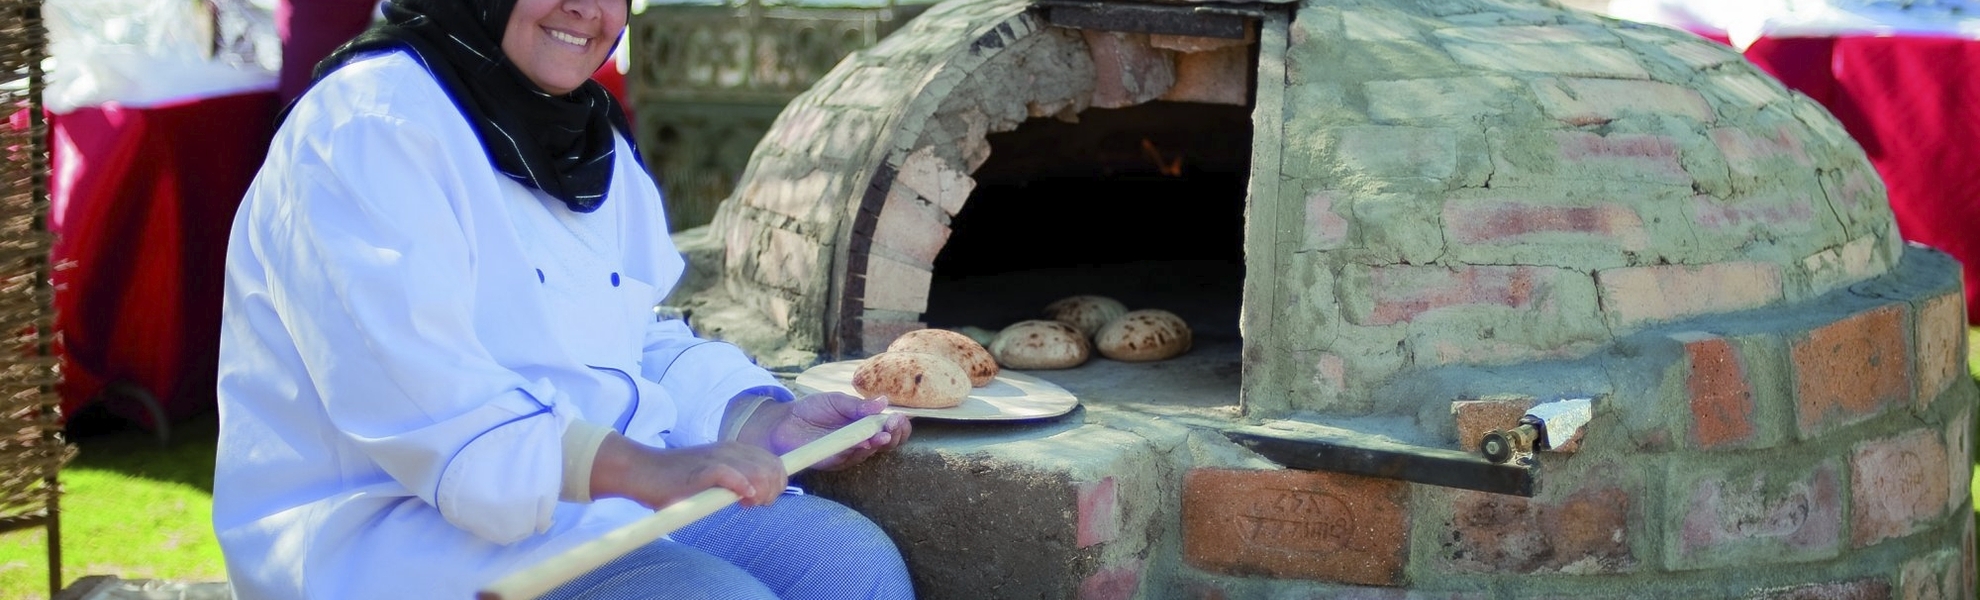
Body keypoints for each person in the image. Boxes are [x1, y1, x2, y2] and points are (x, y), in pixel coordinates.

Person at [210, 0, 916, 598]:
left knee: (852, 566)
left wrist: (761, 420)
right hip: (398, 540)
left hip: (595, 508)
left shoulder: (582, 130)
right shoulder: (368, 125)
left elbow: (633, 334)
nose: (589, 9)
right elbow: (419, 399)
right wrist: (646, 469)